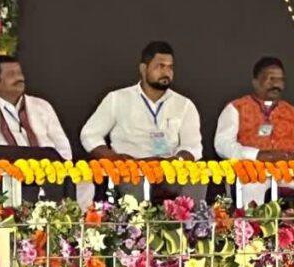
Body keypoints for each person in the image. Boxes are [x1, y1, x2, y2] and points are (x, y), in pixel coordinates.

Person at [80, 41, 204, 201]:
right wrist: (114, 159)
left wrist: (175, 161)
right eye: (160, 66)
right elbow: (89, 135)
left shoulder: (184, 104)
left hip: (169, 169)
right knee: (135, 183)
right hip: (132, 169)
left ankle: (188, 217)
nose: (166, 72)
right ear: (143, 69)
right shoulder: (117, 99)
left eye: (170, 67)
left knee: (198, 177)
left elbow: (193, 146)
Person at [215, 57, 294, 205]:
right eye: (271, 79)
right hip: (252, 170)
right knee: (253, 183)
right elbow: (222, 144)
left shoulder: (293, 113)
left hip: (288, 170)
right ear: (255, 82)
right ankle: (252, 220)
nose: (277, 85)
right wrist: (256, 155)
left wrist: (293, 157)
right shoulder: (236, 108)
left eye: (280, 80)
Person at [0, 55, 72, 160]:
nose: (19, 78)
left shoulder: (42, 106)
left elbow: (64, 149)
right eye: (11, 74)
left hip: (50, 168)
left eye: (20, 73)